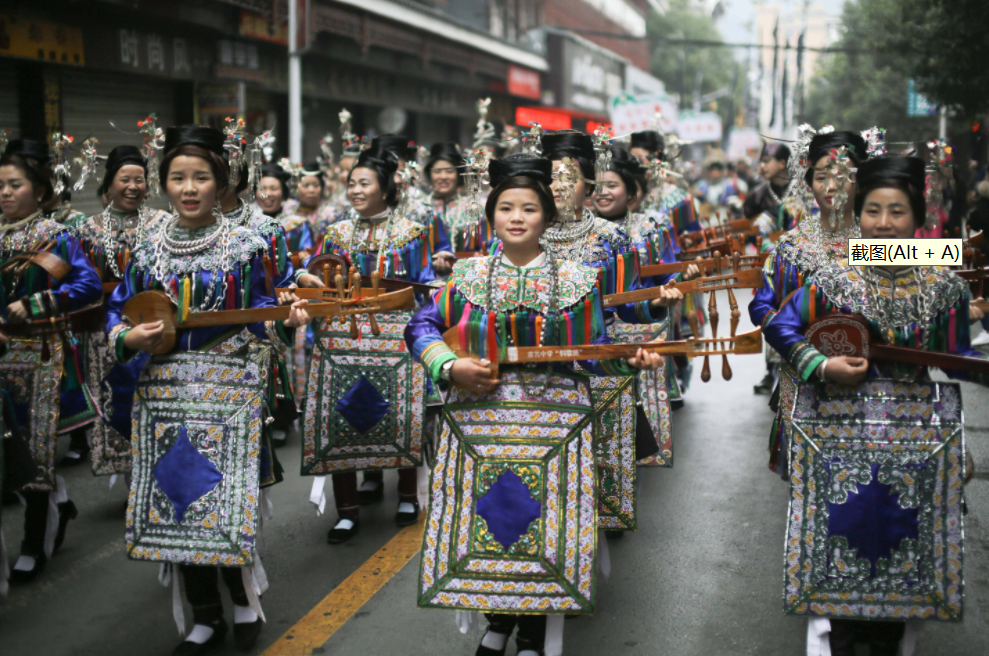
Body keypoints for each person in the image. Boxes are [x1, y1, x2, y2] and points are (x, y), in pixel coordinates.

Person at [405, 153, 663, 656]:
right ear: (491, 214)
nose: (517, 217)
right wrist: (449, 366)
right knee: (495, 519)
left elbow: (592, 354)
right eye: (506, 207)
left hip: (554, 423)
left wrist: (630, 362)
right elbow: (423, 324)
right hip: (483, 421)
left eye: (529, 207)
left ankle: (530, 631)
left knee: (543, 522)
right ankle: (499, 617)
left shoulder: (578, 278)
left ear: (548, 213)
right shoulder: (469, 274)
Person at [763, 153, 985, 656]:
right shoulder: (833, 278)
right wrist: (820, 366)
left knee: (901, 571)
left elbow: (955, 359)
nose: (884, 224)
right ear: (858, 214)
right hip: (835, 440)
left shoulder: (942, 286)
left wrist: (974, 361)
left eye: (898, 212)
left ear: (919, 219)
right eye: (873, 211)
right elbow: (780, 325)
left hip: (914, 446)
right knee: (834, 574)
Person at [105, 125, 310, 654]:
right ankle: (201, 615)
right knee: (176, 504)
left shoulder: (251, 243)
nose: (189, 188)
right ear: (163, 183)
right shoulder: (147, 246)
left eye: (200, 176)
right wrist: (129, 335)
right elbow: (119, 309)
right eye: (178, 177)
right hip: (163, 392)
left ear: (221, 181)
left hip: (228, 393)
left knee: (222, 504)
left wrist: (290, 321)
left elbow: (272, 309)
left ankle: (242, 601)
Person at [297, 144, 436, 544]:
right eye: (352, 183)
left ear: (386, 187)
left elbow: (424, 282)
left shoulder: (412, 232)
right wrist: (308, 278)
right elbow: (320, 274)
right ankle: (347, 510)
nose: (356, 190)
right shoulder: (336, 232)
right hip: (341, 336)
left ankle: (407, 495)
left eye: (364, 183)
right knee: (340, 415)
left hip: (396, 335)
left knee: (400, 414)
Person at [0, 139, 102, 583]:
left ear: (40, 190)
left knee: (37, 453)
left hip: (40, 357)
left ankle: (33, 542)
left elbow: (88, 287)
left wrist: (41, 302)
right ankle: (59, 508)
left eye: (14, 184)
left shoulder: (56, 236)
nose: (4, 192)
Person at [749, 129, 868, 476]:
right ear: (808, 181)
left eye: (844, 175)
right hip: (806, 382)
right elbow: (762, 308)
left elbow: (939, 263)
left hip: (869, 380)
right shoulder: (790, 247)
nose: (832, 186)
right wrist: (809, 358)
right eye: (822, 176)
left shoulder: (879, 240)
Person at [74, 145, 168, 475]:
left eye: (139, 179)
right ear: (109, 183)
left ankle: (158, 475)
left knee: (156, 402)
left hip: (154, 327)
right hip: (104, 333)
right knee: (115, 405)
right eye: (125, 179)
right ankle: (133, 479)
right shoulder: (86, 229)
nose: (133, 186)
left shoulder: (163, 224)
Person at [425, 142, 489, 255]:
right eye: (437, 171)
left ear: (458, 174)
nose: (443, 177)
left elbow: (487, 244)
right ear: (429, 174)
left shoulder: (476, 207)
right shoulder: (419, 209)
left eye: (449, 171)